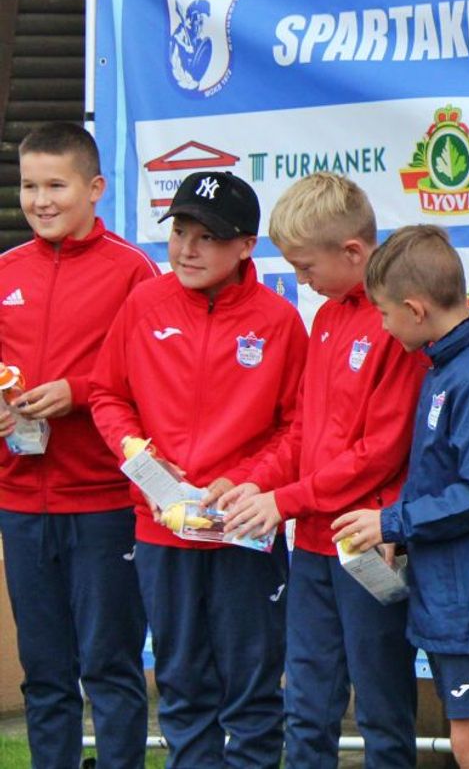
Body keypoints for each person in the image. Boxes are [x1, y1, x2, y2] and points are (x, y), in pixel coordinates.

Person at [91, 170, 306, 768]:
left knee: (253, 692)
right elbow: (108, 394)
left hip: (242, 532)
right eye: (180, 231)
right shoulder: (143, 304)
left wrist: (250, 481)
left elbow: (299, 426)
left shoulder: (279, 321)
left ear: (246, 245)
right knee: (182, 688)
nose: (187, 248)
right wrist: (137, 454)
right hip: (162, 532)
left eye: (207, 236)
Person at [219, 173, 424, 766]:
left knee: (382, 710)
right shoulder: (327, 318)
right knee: (306, 706)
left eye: (306, 268)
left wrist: (283, 500)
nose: (302, 281)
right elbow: (305, 431)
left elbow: (380, 452)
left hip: (368, 541)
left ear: (353, 251)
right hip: (311, 542)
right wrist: (257, 482)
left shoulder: (396, 321)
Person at [334, 225, 469, 769]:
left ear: (415, 309)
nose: (382, 325)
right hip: (456, 596)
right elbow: (443, 477)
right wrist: (401, 535)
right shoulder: (447, 365)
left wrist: (393, 522)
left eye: (384, 313)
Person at [0, 123, 157, 769]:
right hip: (21, 501)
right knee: (44, 673)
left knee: (110, 667)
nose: (40, 201)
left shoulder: (133, 271)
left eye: (55, 186)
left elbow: (154, 376)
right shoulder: (6, 270)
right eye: (28, 186)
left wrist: (79, 391)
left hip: (103, 501)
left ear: (95, 188)